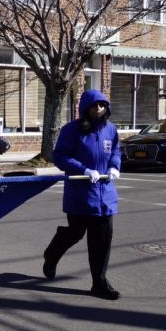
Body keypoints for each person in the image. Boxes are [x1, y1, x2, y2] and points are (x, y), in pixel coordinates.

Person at [42, 89, 122, 300]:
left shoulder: (111, 130)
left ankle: (99, 282)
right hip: (81, 193)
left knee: (101, 241)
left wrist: (114, 166)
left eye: (102, 105)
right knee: (76, 232)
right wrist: (84, 170)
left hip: (105, 196)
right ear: (85, 108)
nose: (98, 109)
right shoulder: (72, 130)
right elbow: (60, 156)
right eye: (94, 105)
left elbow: (115, 151)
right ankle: (52, 255)